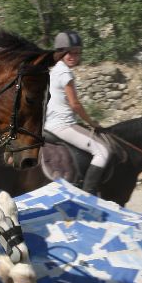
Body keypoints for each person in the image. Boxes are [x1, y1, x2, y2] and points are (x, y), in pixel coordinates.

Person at [46, 31, 110, 194]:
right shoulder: (66, 73)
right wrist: (91, 123)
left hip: (51, 123)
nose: (73, 56)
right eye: (69, 52)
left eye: (77, 53)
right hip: (63, 125)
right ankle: (88, 194)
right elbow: (75, 105)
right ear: (61, 53)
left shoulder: (54, 71)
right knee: (102, 151)